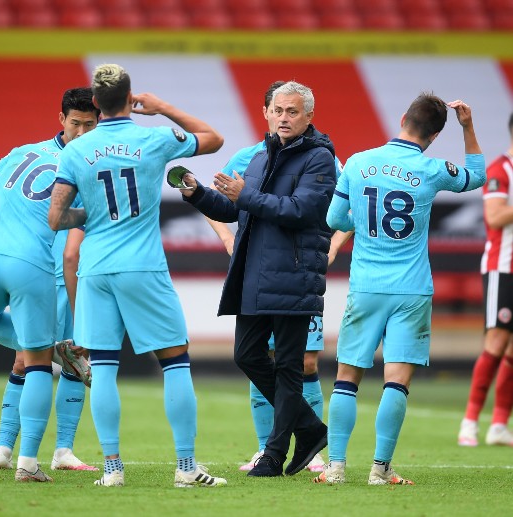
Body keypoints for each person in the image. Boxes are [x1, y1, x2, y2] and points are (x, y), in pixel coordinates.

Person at [49, 63, 227, 488]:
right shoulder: (155, 139)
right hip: (143, 265)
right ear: (131, 99)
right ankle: (186, 468)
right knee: (175, 361)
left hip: (95, 268)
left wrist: (90, 213)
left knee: (104, 366)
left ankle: (112, 469)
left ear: (94, 103)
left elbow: (56, 217)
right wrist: (162, 106)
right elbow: (214, 138)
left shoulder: (74, 150)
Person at [320, 94, 485, 485]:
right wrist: (469, 128)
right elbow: (477, 175)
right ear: (435, 133)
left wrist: (361, 219)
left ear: (402, 118)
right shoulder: (432, 170)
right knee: (396, 379)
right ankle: (380, 469)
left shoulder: (359, 162)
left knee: (346, 377)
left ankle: (336, 467)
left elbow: (333, 218)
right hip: (412, 290)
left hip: (366, 287)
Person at [181, 81, 334, 478]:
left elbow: (302, 210)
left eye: (293, 112)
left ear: (308, 117)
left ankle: (273, 454)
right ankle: (311, 427)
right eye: (278, 110)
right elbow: (237, 210)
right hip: (256, 274)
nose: (284, 117)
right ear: (266, 112)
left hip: (295, 275)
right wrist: (198, 194)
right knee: (247, 355)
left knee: (287, 366)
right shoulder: (259, 157)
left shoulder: (320, 158)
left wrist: (244, 195)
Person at [0, 88, 98, 475]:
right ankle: (8, 450)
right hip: (41, 270)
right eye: (76, 123)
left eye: (90, 124)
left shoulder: (21, 152)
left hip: (59, 272)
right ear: (61, 120)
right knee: (35, 357)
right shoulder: (85, 166)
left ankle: (60, 452)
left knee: (59, 358)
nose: (83, 131)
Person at [459, 112, 513, 447]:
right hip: (502, 268)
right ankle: (469, 422)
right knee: (495, 341)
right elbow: (494, 216)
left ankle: (498, 424)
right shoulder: (500, 170)